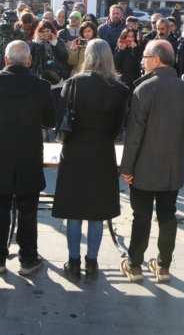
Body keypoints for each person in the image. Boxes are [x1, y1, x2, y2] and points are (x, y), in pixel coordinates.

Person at [0, 40, 56, 276]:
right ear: (29, 61)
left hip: (0, 154)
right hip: (29, 154)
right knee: (28, 210)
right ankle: (28, 259)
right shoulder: (41, 86)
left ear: (6, 60)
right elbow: (50, 121)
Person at [119, 40, 184, 283]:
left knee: (141, 217)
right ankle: (163, 266)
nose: (142, 61)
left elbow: (134, 136)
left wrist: (126, 168)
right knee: (168, 216)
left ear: (157, 59)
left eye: (145, 56)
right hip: (173, 165)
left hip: (144, 165)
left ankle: (134, 265)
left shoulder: (144, 90)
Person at [53, 39, 130, 281]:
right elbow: (118, 128)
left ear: (88, 55)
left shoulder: (75, 83)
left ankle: (73, 262)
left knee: (74, 210)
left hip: (75, 149)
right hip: (102, 150)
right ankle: (92, 263)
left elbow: (61, 118)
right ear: (109, 57)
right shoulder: (119, 89)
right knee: (97, 212)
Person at [29, 20, 68, 107]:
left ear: (52, 31)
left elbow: (64, 57)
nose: (45, 34)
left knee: (55, 103)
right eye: (42, 32)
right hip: (40, 75)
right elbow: (29, 57)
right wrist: (36, 43)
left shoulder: (58, 41)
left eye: (47, 31)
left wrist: (55, 43)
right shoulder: (35, 42)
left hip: (56, 76)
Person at [113, 27, 144, 91]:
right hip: (122, 81)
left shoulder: (138, 48)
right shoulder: (118, 48)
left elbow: (138, 63)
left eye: (132, 36)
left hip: (134, 81)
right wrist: (120, 51)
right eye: (128, 36)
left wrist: (135, 49)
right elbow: (115, 64)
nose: (130, 39)